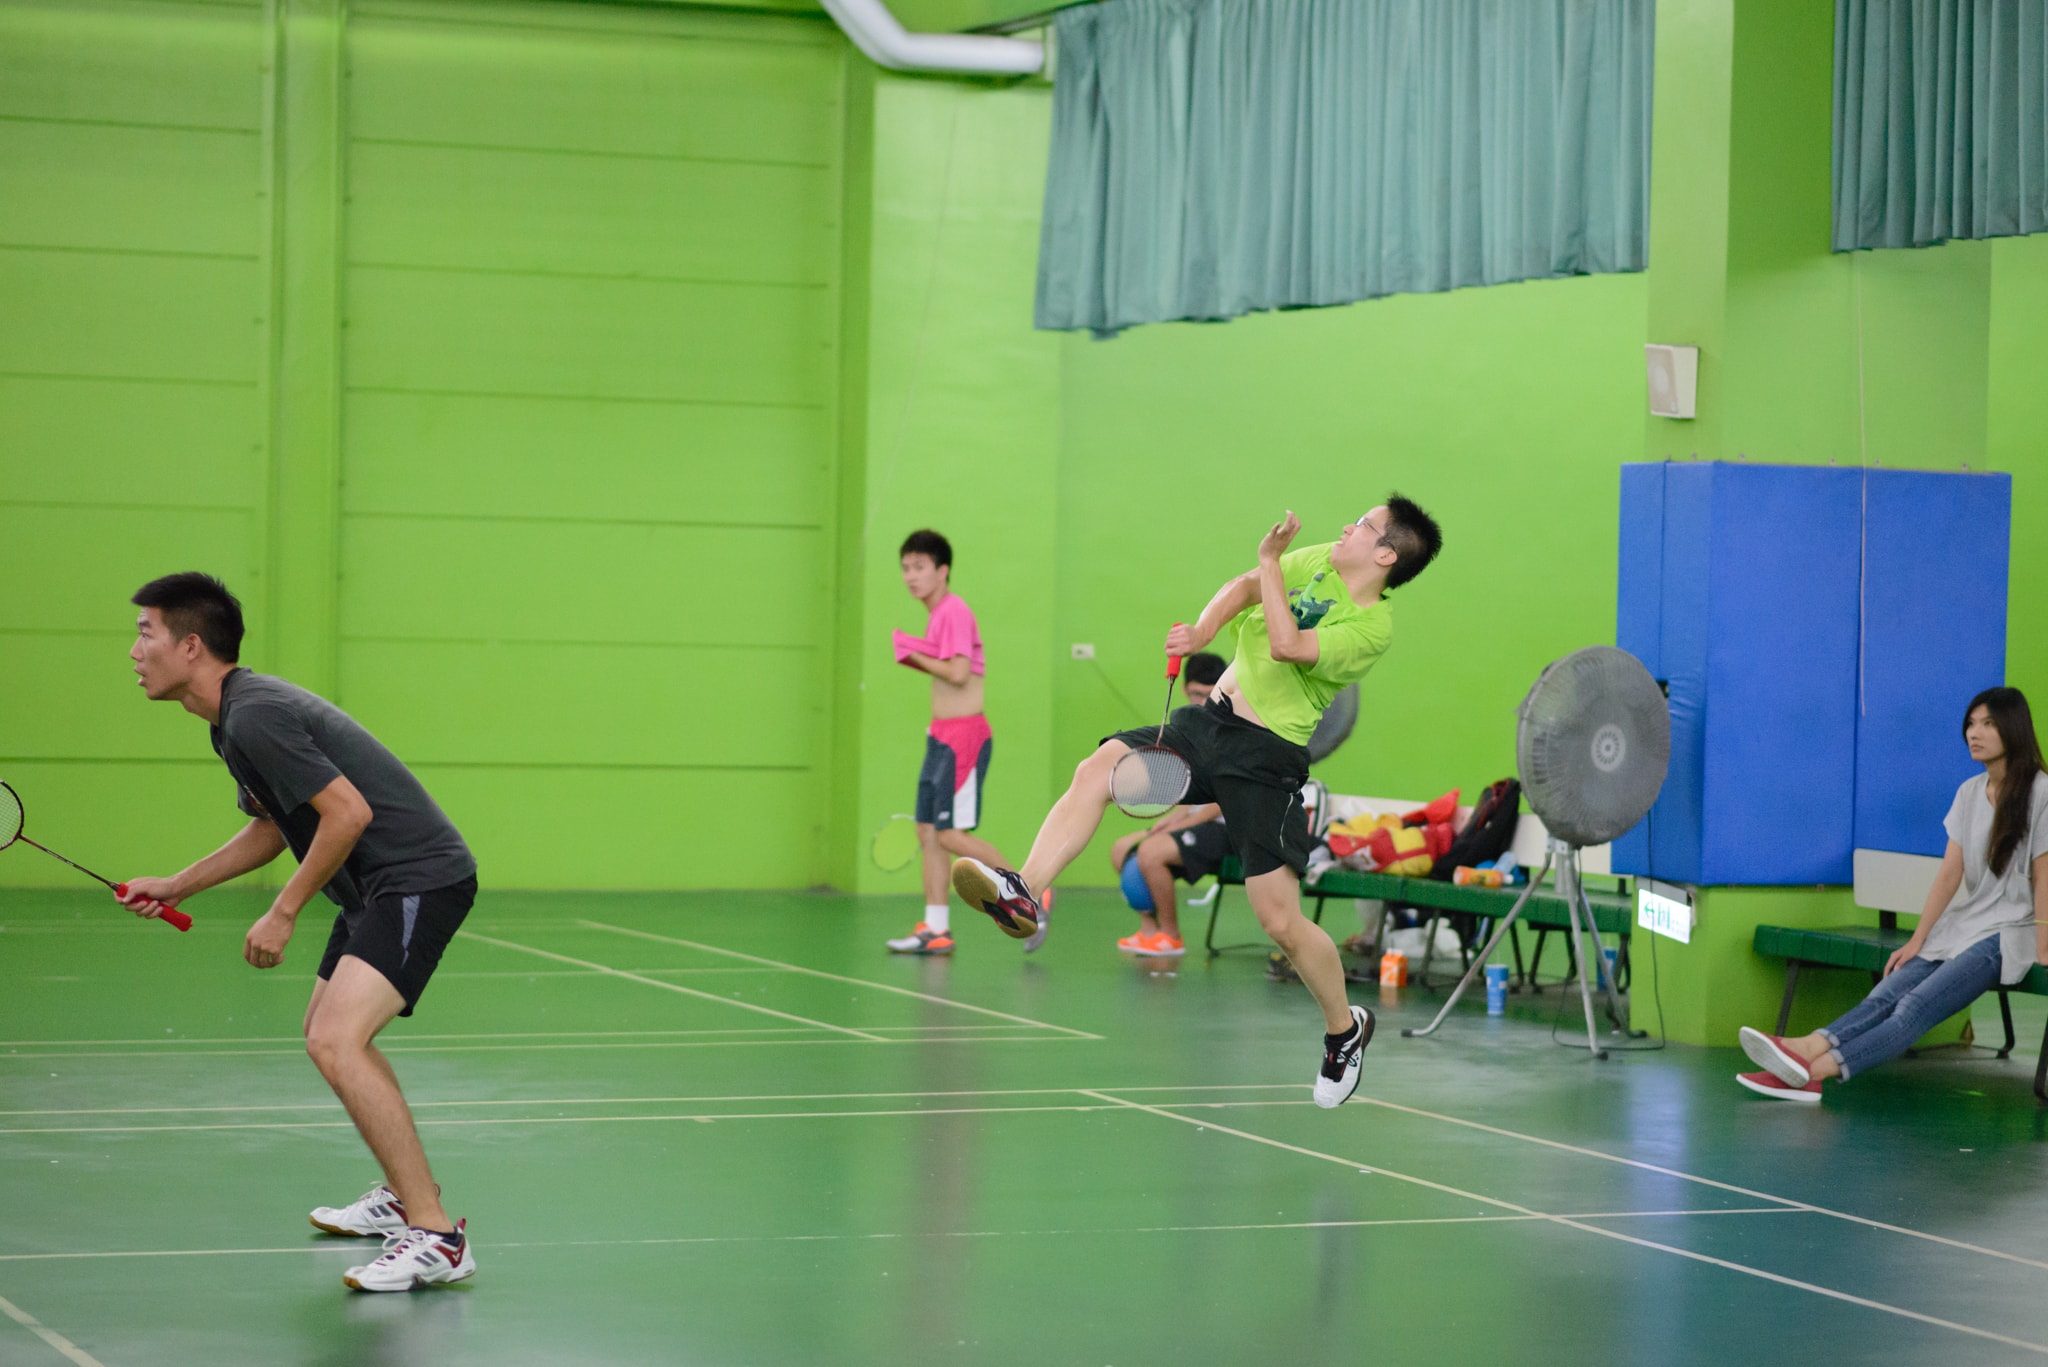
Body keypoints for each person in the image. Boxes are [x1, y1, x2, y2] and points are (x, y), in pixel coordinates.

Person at [953, 499, 1443, 1106]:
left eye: (1363, 525)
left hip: (1265, 759)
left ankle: (1345, 1031)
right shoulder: (1323, 560)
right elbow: (1244, 588)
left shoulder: (1371, 628)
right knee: (1097, 771)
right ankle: (1024, 888)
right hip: (1207, 725)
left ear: (1386, 554)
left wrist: (1271, 560)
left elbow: (1287, 644)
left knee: (1280, 922)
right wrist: (1204, 632)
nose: (1348, 526)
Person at [120, 573, 479, 1291]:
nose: (134, 651)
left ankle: (438, 1236)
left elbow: (348, 813)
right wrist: (179, 883)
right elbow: (273, 825)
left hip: (416, 876)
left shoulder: (255, 714)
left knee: (337, 1039)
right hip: (370, 888)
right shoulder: (232, 721)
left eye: (145, 633)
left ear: (191, 646)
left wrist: (283, 910)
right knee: (328, 1033)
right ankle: (403, 1195)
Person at [1737, 687, 2048, 1102]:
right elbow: (1948, 875)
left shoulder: (2041, 792)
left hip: (2008, 936)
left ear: (2013, 728)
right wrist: (1918, 940)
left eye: (1988, 724)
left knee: (1914, 1008)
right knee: (1886, 992)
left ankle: (1812, 1072)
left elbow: (2044, 875)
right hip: (1964, 927)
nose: (1974, 733)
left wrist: (2044, 945)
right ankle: (1806, 1048)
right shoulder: (1969, 792)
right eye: (1971, 724)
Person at [884, 530, 1049, 956]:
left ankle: (1032, 892)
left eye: (920, 567)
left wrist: (910, 652)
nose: (911, 576)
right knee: (928, 832)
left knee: (951, 835)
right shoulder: (937, 616)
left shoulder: (953, 611)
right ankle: (935, 928)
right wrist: (917, 650)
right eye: (905, 568)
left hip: (963, 738)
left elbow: (958, 674)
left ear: (943, 571)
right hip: (939, 736)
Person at [1109, 652, 1229, 957]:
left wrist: (1182, 824)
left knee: (1151, 852)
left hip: (1229, 829)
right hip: (1196, 822)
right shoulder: (1190, 728)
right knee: (1122, 848)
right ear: (1186, 689)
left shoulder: (1230, 728)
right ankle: (1149, 930)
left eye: (1209, 694)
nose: (1202, 702)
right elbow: (1194, 788)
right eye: (1196, 694)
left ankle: (1171, 936)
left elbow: (1223, 800)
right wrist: (1172, 818)